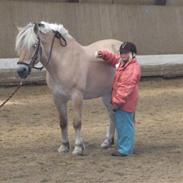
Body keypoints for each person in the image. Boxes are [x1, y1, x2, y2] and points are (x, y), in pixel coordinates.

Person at [97, 42, 141, 156]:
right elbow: (114, 59)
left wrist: (116, 102)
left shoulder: (132, 68)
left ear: (132, 54)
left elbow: (125, 87)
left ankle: (125, 150)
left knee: (125, 126)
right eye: (121, 53)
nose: (122, 55)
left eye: (125, 53)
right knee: (123, 125)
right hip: (124, 101)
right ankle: (126, 147)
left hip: (124, 102)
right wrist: (104, 54)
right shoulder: (124, 63)